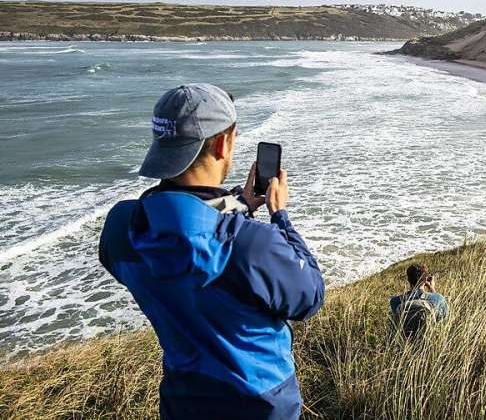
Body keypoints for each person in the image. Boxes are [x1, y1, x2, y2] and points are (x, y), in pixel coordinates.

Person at [99, 83, 324, 420]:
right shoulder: (251, 245)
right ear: (223, 144)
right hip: (261, 402)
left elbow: (185, 232)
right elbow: (310, 296)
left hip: (185, 397)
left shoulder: (121, 229)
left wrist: (240, 204)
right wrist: (280, 217)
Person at [389, 263, 449, 337]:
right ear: (426, 280)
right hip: (429, 339)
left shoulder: (395, 301)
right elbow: (444, 318)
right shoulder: (438, 298)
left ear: (408, 280)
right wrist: (432, 289)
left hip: (405, 340)